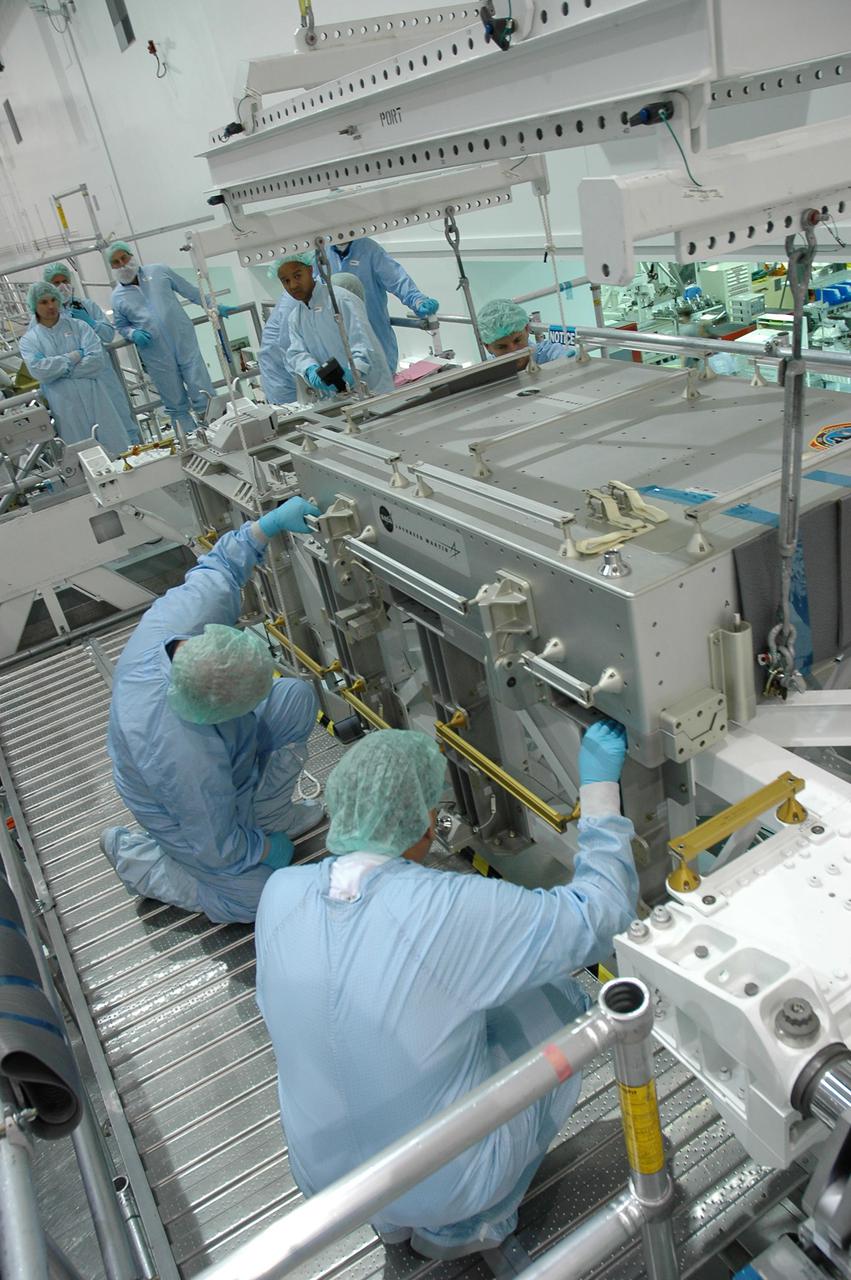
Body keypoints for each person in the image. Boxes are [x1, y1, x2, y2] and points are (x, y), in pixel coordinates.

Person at [256, 720, 637, 1259]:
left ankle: (390, 1227)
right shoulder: (447, 907)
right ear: (425, 824)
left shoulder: (279, 892)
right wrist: (599, 789)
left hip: (327, 1189)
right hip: (446, 1185)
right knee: (559, 997)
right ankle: (468, 1225)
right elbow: (600, 916)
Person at [101, 495, 323, 924]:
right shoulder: (182, 755)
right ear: (212, 714)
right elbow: (214, 844)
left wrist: (270, 524)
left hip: (223, 752)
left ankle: (267, 815)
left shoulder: (180, 623)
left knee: (295, 698)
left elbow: (220, 568)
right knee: (257, 901)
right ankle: (139, 862)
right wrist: (259, 850)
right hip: (174, 809)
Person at [108, 240, 235, 434]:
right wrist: (133, 333)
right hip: (155, 353)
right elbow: (121, 325)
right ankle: (192, 441)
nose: (122, 264)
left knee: (202, 390)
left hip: (183, 340)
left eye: (124, 258)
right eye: (116, 262)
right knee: (175, 402)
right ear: (112, 267)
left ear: (131, 256)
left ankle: (221, 432)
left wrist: (213, 305)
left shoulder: (159, 271)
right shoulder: (117, 297)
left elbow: (192, 292)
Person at [19, 282, 136, 457]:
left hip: (95, 396)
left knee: (117, 448)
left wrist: (60, 372)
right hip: (65, 405)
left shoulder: (79, 327)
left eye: (53, 300)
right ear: (34, 305)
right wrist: (74, 356)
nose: (51, 306)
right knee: (85, 457)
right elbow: (39, 371)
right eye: (43, 302)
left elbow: (96, 361)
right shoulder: (30, 340)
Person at [43, 263, 141, 444]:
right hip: (72, 386)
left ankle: (135, 456)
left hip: (103, 376)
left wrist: (90, 322)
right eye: (56, 283)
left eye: (65, 281)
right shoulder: (43, 320)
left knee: (121, 420)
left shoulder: (86, 306)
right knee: (85, 434)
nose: (62, 286)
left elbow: (108, 334)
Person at [280, 252, 394, 397]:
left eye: (297, 276)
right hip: (339, 396)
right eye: (286, 281)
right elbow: (297, 352)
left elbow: (363, 342)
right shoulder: (296, 317)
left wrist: (354, 372)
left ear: (310, 270)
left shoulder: (341, 300)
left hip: (372, 389)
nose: (293, 285)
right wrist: (310, 369)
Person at [326, 237, 439, 372]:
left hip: (376, 334)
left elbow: (397, 279)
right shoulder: (321, 253)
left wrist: (417, 300)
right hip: (337, 337)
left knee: (382, 380)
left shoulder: (369, 250)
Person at [477, 299, 574, 368]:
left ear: (527, 329)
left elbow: (566, 357)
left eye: (517, 340)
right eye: (502, 347)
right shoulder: (488, 371)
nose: (513, 351)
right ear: (487, 347)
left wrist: (571, 361)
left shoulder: (548, 354)